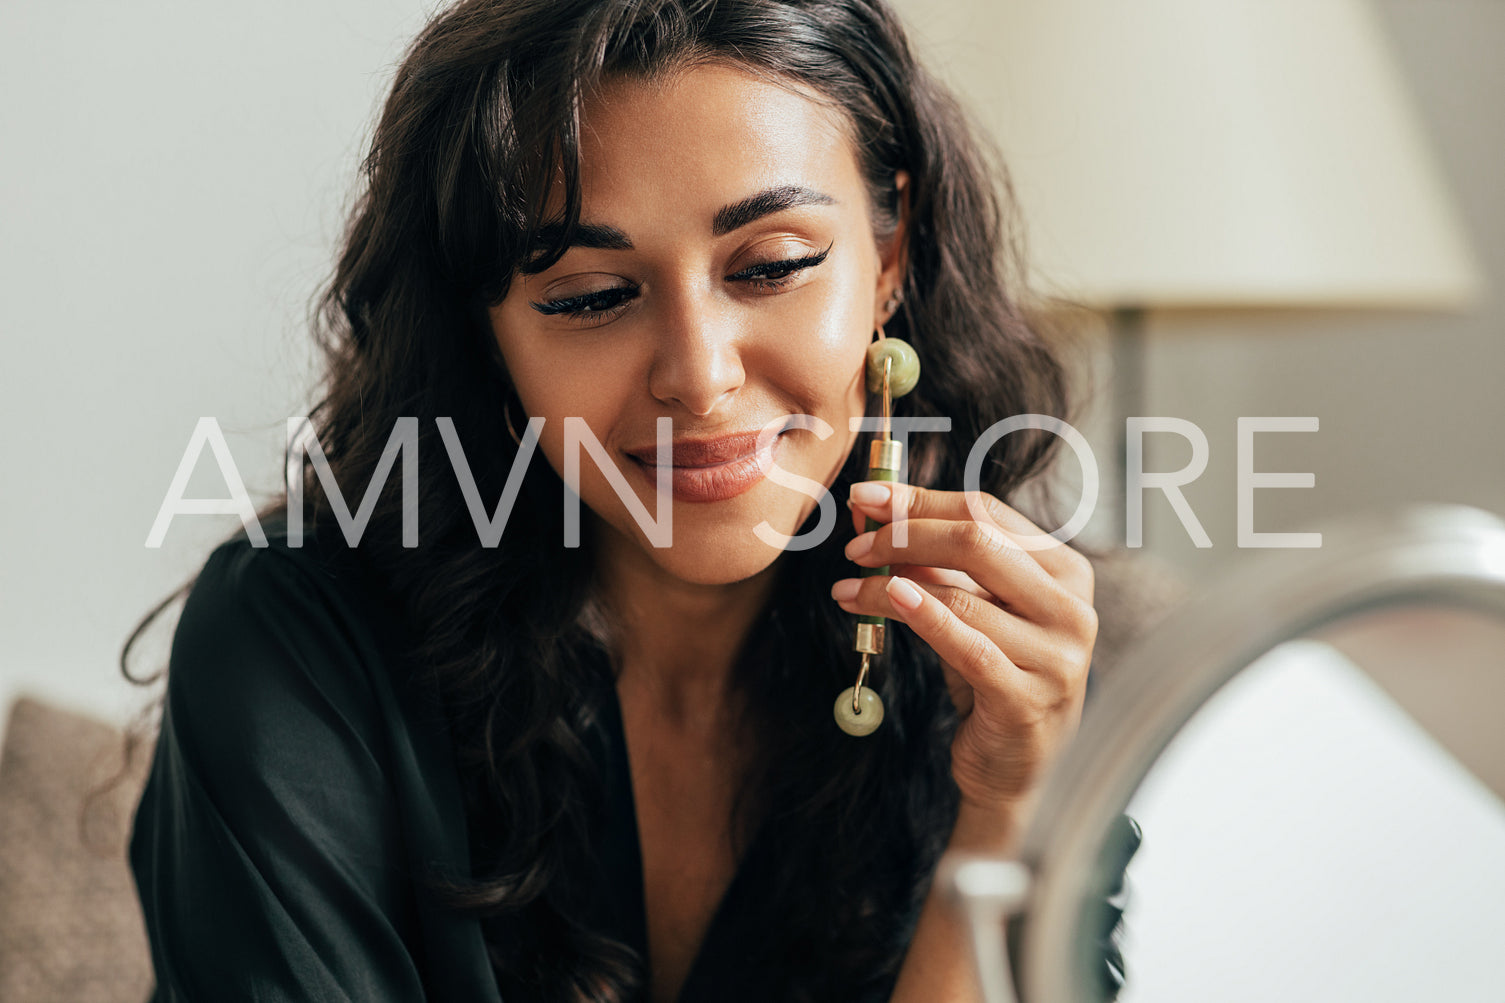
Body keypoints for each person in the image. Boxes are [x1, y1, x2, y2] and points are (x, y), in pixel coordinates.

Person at [119, 1, 1134, 1001]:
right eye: (589, 296)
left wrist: (1005, 815)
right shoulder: (295, 647)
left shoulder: (1010, 669)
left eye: (771, 266)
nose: (697, 376)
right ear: (487, 335)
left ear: (889, 258)